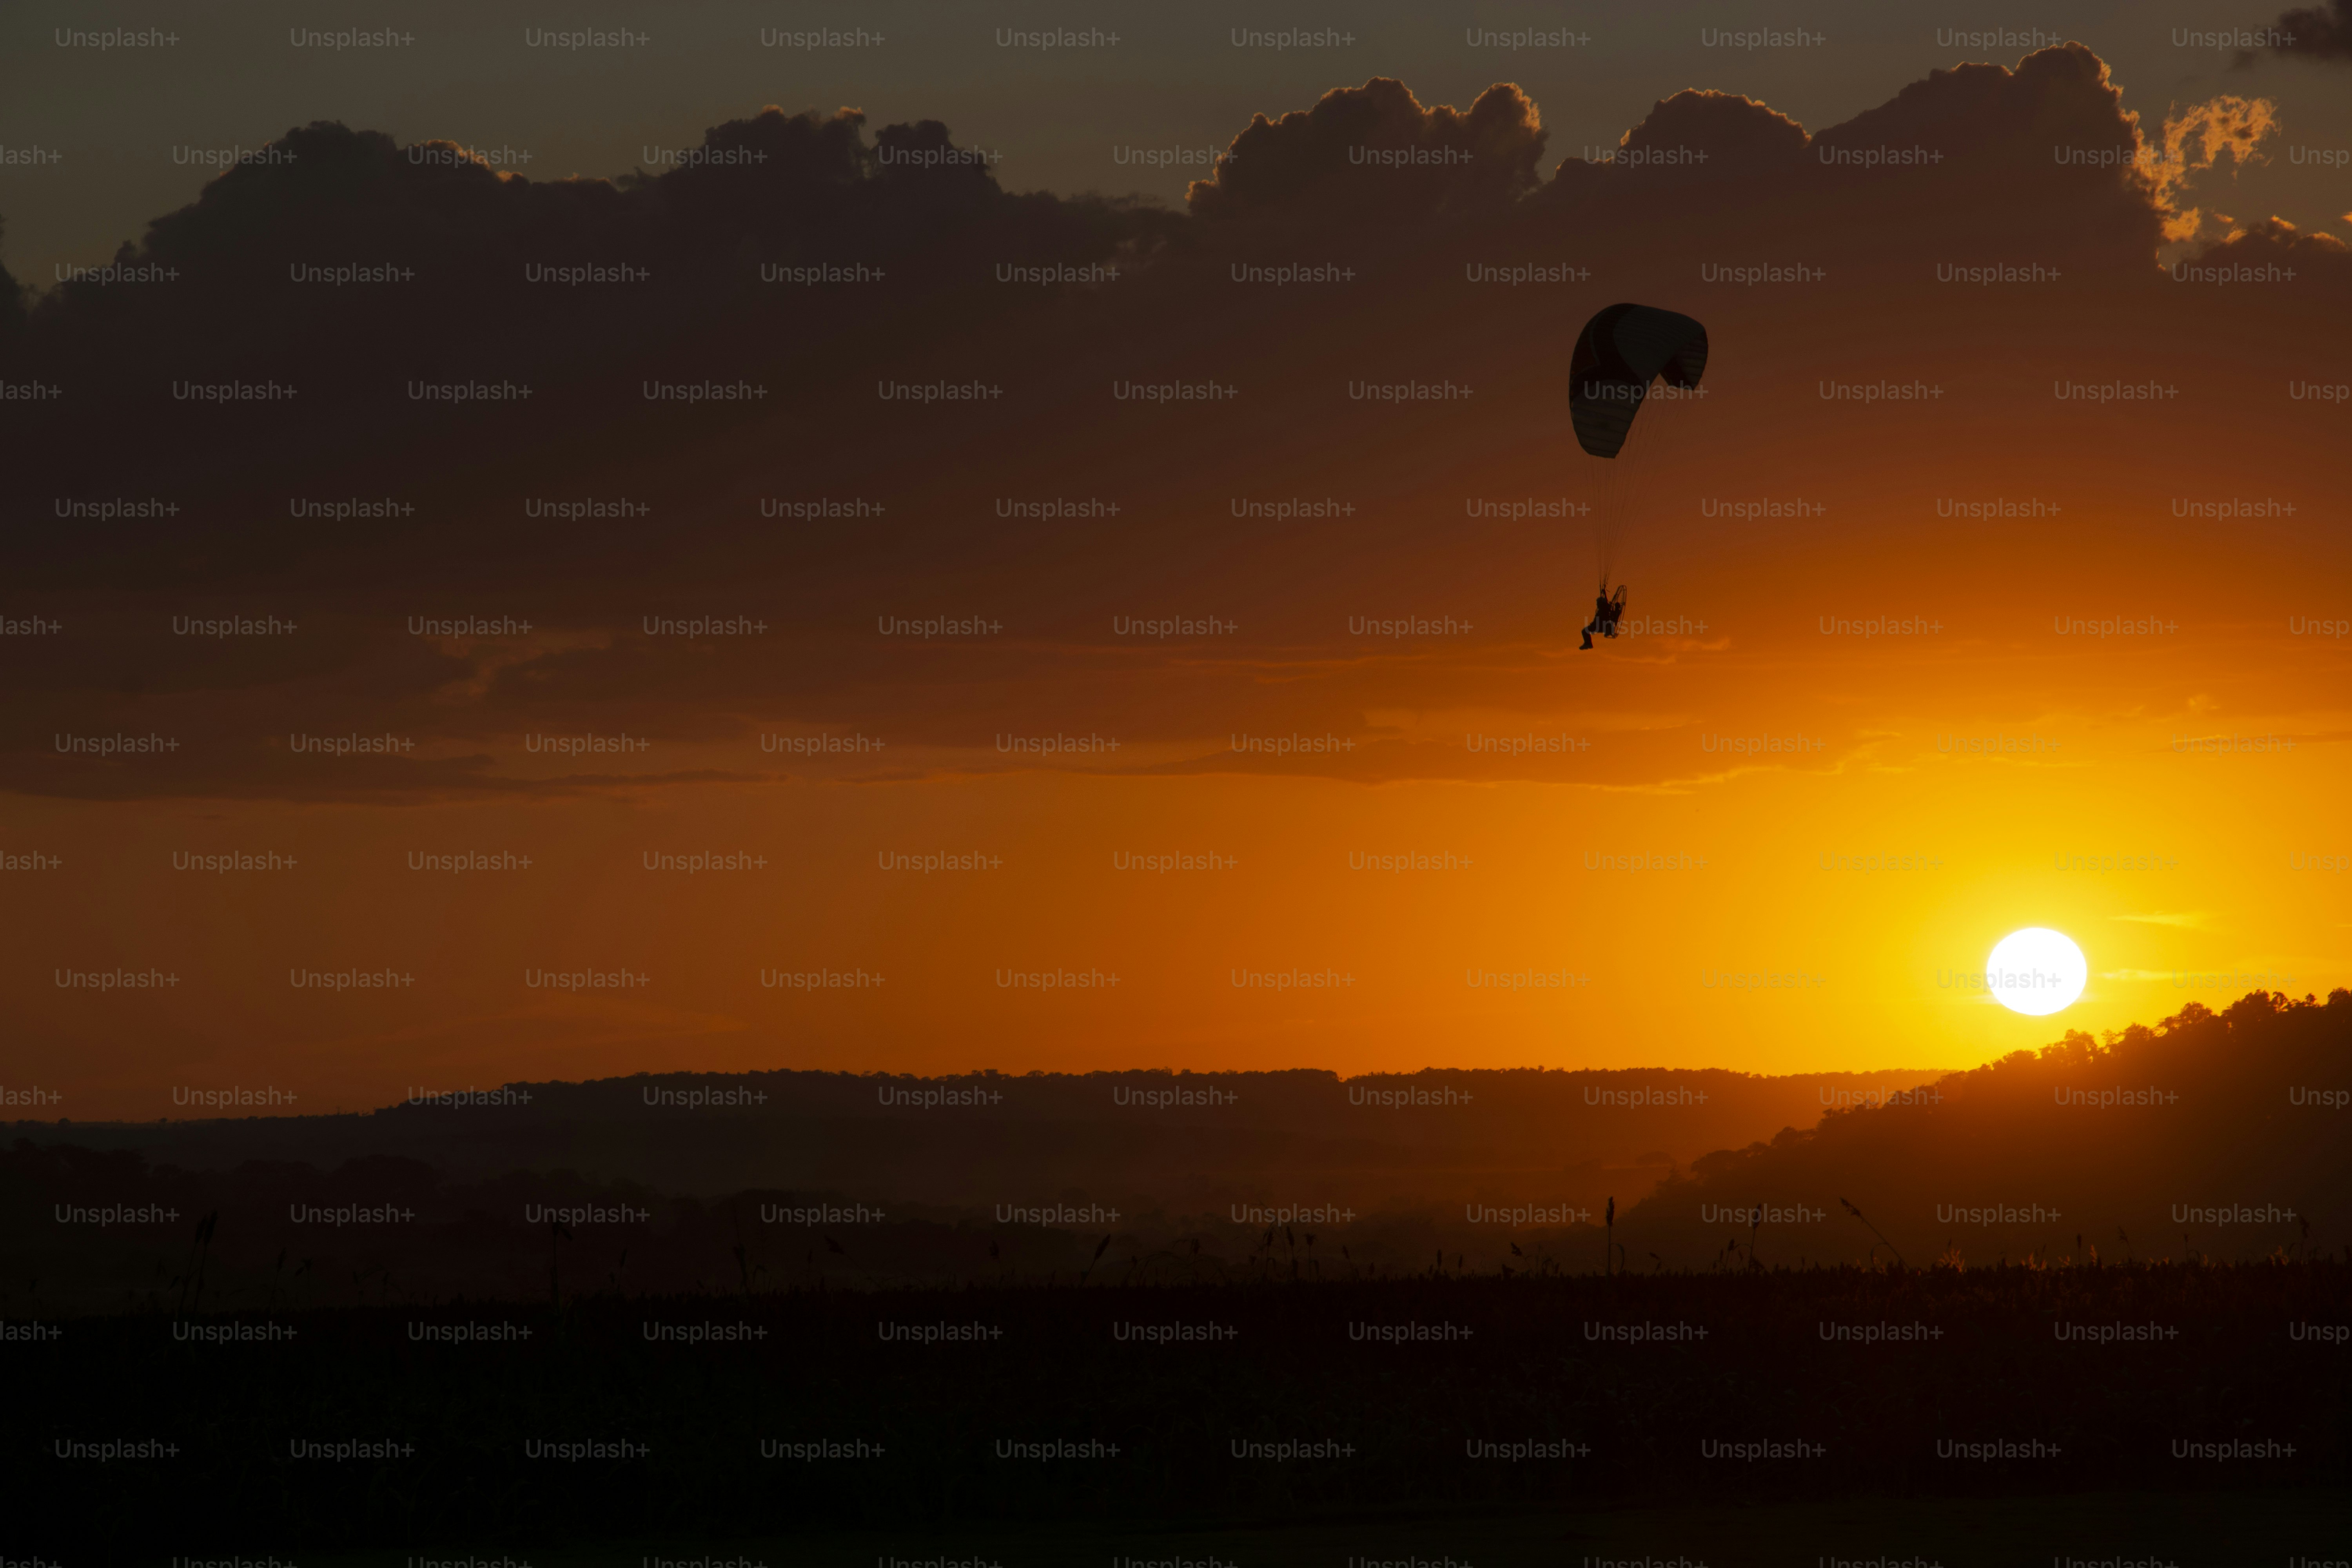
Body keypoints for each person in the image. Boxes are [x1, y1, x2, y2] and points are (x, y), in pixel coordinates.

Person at [1580, 579, 1627, 649]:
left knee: (1585, 631)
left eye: (1598, 604)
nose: (1597, 605)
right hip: (1600, 626)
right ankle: (1588, 643)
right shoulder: (1606, 608)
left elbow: (1605, 610)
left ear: (1601, 604)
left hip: (1600, 626)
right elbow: (1607, 602)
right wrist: (1604, 594)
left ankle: (1588, 644)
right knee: (1585, 631)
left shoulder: (1604, 610)